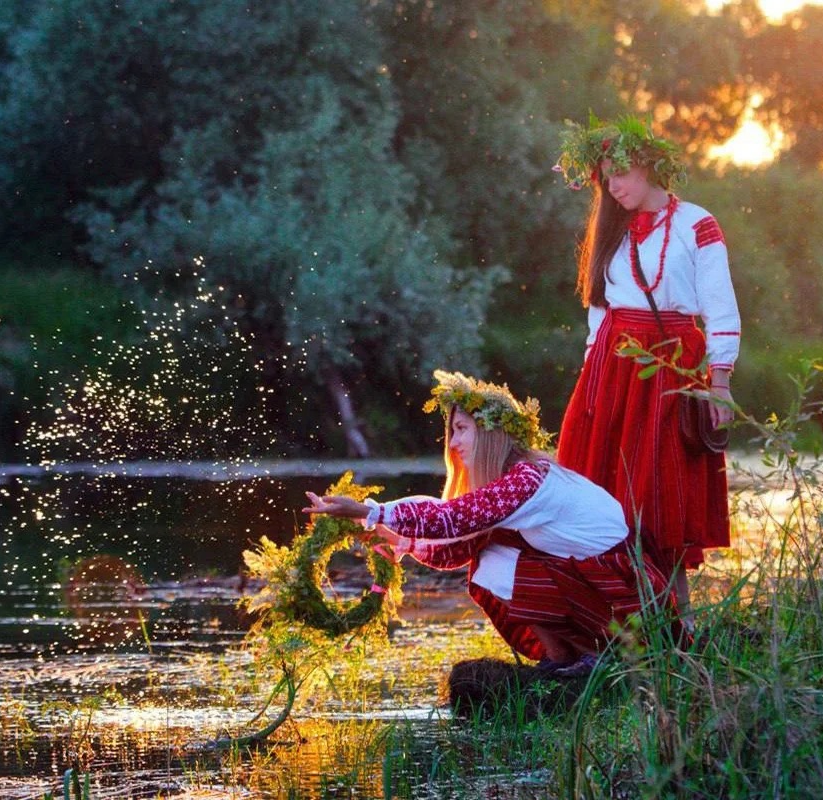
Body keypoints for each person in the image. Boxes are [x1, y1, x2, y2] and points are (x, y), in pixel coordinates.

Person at [303, 370, 674, 677]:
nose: (453, 443)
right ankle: (569, 658)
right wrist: (398, 538)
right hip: (606, 587)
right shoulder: (518, 478)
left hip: (627, 596)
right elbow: (459, 548)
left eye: (461, 429)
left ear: (490, 431)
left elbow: (451, 518)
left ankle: (578, 657)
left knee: (492, 565)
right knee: (487, 558)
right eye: (451, 431)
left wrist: (369, 511)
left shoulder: (526, 481)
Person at [551, 114, 740, 620]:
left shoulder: (697, 224)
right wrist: (590, 382)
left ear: (651, 167)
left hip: (672, 366)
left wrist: (719, 381)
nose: (613, 186)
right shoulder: (608, 228)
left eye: (621, 173)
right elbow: (600, 312)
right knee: (603, 490)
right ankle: (613, 618)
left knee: (664, 492)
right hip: (613, 369)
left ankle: (677, 620)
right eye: (605, 178)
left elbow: (719, 305)